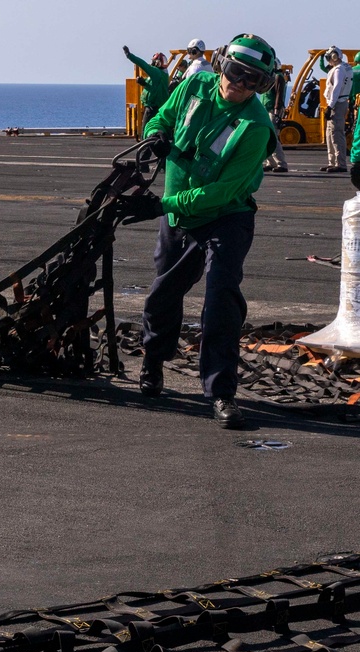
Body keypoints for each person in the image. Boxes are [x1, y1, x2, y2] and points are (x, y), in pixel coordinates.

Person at [118, 34, 279, 429]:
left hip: (226, 217)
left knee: (221, 298)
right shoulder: (194, 84)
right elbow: (163, 116)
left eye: (252, 80)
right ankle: (153, 364)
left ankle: (222, 393)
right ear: (221, 64)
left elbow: (222, 192)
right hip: (179, 216)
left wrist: (162, 205)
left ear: (263, 86)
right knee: (163, 293)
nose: (239, 84)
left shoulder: (255, 127)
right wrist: (155, 135)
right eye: (234, 72)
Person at [320, 46, 353, 173]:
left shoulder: (339, 70)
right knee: (330, 133)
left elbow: (336, 88)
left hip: (337, 104)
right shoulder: (345, 67)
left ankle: (340, 163)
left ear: (334, 56)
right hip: (338, 103)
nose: (328, 60)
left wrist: (330, 106)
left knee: (336, 133)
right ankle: (332, 161)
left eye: (329, 57)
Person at [123, 46, 170, 134]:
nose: (151, 63)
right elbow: (155, 88)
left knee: (145, 130)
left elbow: (142, 64)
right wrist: (144, 83)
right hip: (158, 107)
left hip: (152, 108)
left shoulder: (156, 72)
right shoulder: (162, 75)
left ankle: (144, 144)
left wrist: (129, 55)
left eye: (153, 61)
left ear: (157, 63)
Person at [262, 66, 289, 172]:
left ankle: (281, 163)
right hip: (267, 108)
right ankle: (271, 162)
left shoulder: (278, 77)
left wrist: (277, 111)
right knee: (266, 136)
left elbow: (279, 94)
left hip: (273, 109)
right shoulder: (271, 76)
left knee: (272, 136)